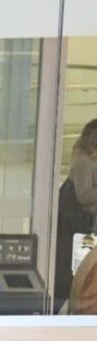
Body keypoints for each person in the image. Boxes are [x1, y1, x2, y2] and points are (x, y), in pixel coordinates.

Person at [55, 119, 97, 309]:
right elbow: (85, 196)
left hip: (83, 223)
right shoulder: (83, 160)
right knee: (69, 271)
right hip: (74, 224)